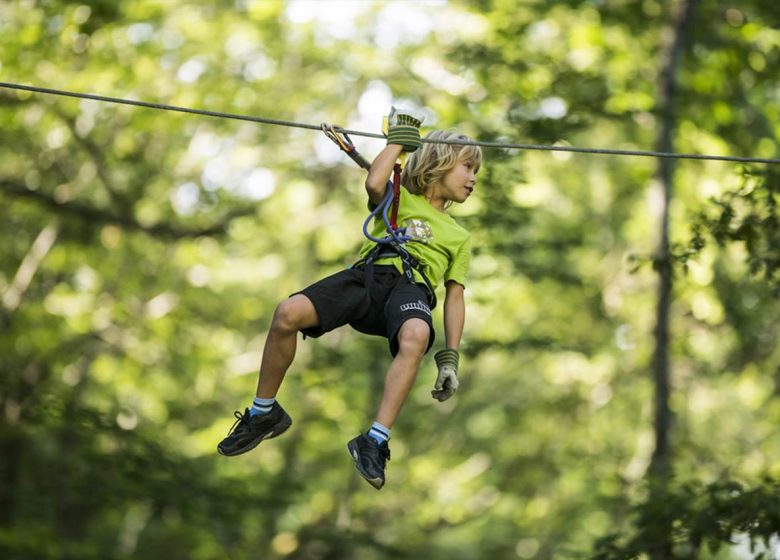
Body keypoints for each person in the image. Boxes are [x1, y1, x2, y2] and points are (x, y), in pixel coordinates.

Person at [217, 109, 482, 490]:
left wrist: (451, 358)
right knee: (287, 313)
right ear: (438, 162)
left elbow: (455, 297)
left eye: (476, 171)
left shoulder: (459, 236)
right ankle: (264, 412)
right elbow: (375, 184)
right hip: (369, 276)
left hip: (411, 289)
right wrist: (397, 143)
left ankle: (375, 440)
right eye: (468, 167)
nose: (473, 179)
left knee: (416, 336)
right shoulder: (398, 197)